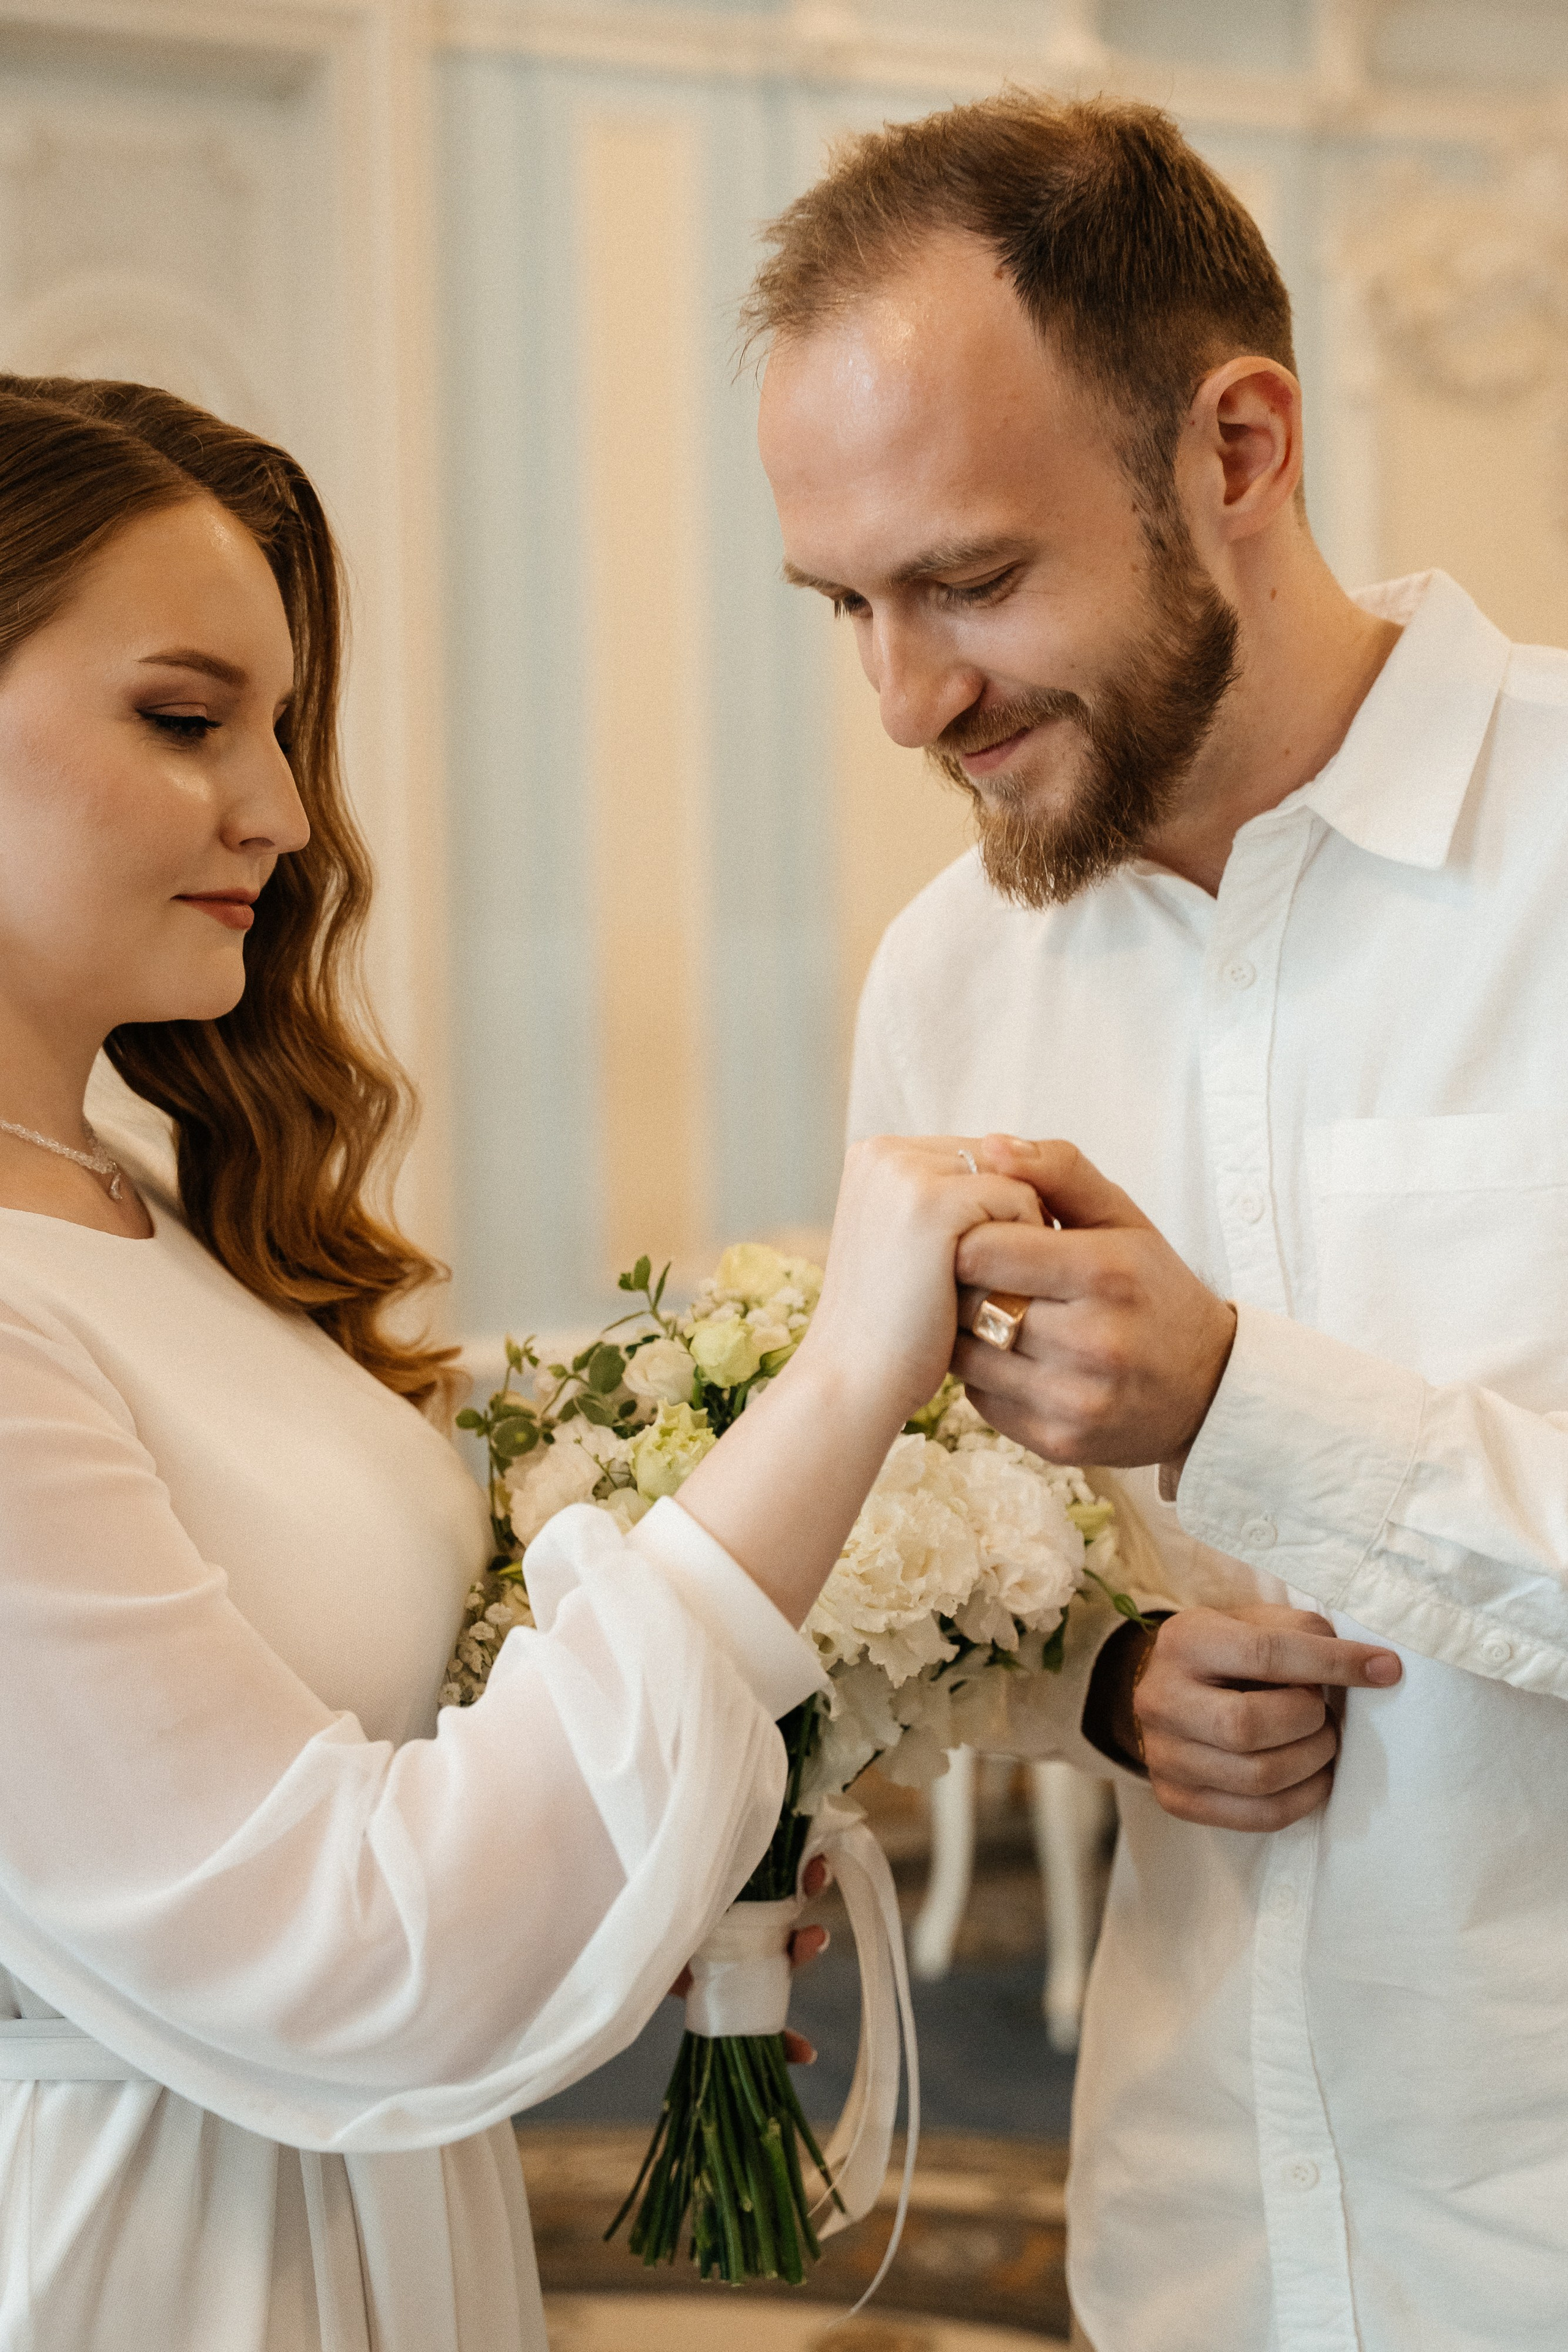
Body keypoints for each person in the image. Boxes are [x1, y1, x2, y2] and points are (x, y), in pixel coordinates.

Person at [0, 375, 1047, 2352]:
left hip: (344, 2191)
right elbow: (343, 1945)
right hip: (146, 2259)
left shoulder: (120, 1201)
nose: (286, 811)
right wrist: (839, 1380)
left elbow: (319, 1810)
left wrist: (588, 1882)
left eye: (284, 731)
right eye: (182, 717)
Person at [751, 91, 1568, 2352]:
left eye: (975, 582)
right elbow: (968, 1563)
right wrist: (1101, 1681)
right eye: (851, 606)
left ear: (1235, 448)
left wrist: (1236, 1400)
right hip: (1196, 2236)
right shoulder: (951, 978)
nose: (909, 699)